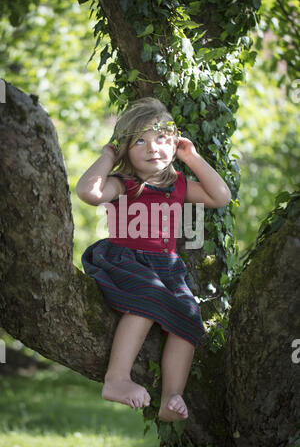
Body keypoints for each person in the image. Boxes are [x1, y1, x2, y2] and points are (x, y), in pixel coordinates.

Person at [76, 97, 231, 422]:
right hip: (125, 259)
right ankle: (116, 379)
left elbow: (220, 197)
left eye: (162, 139)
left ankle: (172, 396)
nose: (152, 148)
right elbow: (89, 193)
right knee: (148, 298)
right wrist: (107, 156)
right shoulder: (124, 183)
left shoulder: (178, 184)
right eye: (140, 141)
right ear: (125, 150)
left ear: (174, 144)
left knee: (189, 319)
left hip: (167, 266)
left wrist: (192, 156)